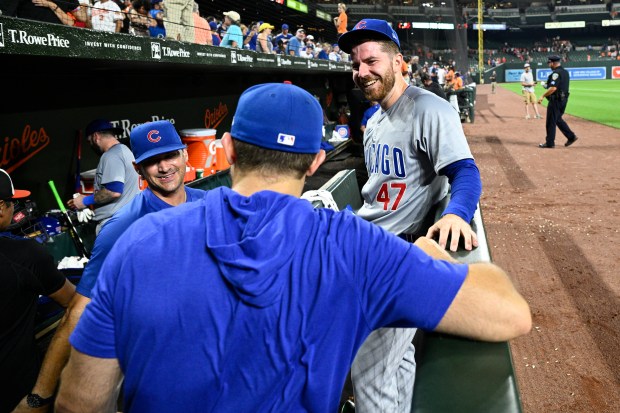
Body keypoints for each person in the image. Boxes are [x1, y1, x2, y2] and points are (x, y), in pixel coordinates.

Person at [55, 82, 531, 413]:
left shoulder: (137, 241)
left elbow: (80, 401)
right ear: (316, 161)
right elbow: (510, 313)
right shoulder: (356, 247)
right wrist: (433, 256)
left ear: (228, 150)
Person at [338, 19, 483, 412]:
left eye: (370, 61)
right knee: (397, 362)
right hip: (368, 250)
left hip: (399, 259)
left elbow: (465, 172)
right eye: (355, 63)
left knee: (367, 372)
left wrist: (456, 213)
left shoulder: (428, 109)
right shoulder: (373, 122)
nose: (361, 71)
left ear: (398, 61)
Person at [18, 121, 206, 412]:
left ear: (185, 155)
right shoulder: (122, 228)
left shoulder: (209, 205)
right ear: (137, 168)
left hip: (210, 360)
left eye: (170, 155)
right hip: (157, 376)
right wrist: (39, 397)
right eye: (152, 161)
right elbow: (78, 312)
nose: (165, 167)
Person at [0, 169, 76, 413]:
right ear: (2, 207)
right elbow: (77, 307)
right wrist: (39, 398)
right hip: (15, 398)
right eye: (13, 202)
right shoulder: (23, 255)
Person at [67, 119, 140, 235]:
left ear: (96, 136)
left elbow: (114, 191)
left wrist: (84, 201)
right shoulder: (124, 150)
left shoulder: (112, 155)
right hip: (127, 220)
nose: (90, 145)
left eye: (89, 141)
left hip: (116, 225)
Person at [537, 55, 578, 148]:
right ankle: (571, 136)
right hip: (564, 100)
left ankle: (550, 143)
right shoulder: (565, 72)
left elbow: (553, 88)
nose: (549, 65)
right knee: (557, 119)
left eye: (549, 63)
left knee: (551, 121)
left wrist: (542, 96)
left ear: (552, 63)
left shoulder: (556, 73)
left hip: (555, 100)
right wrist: (546, 86)